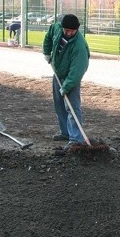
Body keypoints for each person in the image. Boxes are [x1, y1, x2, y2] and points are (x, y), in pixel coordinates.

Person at [42, 14, 91, 151]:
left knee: (72, 108)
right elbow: (48, 36)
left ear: (77, 30)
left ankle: (76, 139)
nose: (68, 33)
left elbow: (77, 71)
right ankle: (65, 132)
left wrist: (66, 86)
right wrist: (47, 52)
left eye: (71, 31)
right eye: (66, 30)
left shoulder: (79, 45)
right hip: (58, 73)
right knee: (59, 105)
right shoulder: (57, 28)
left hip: (71, 78)